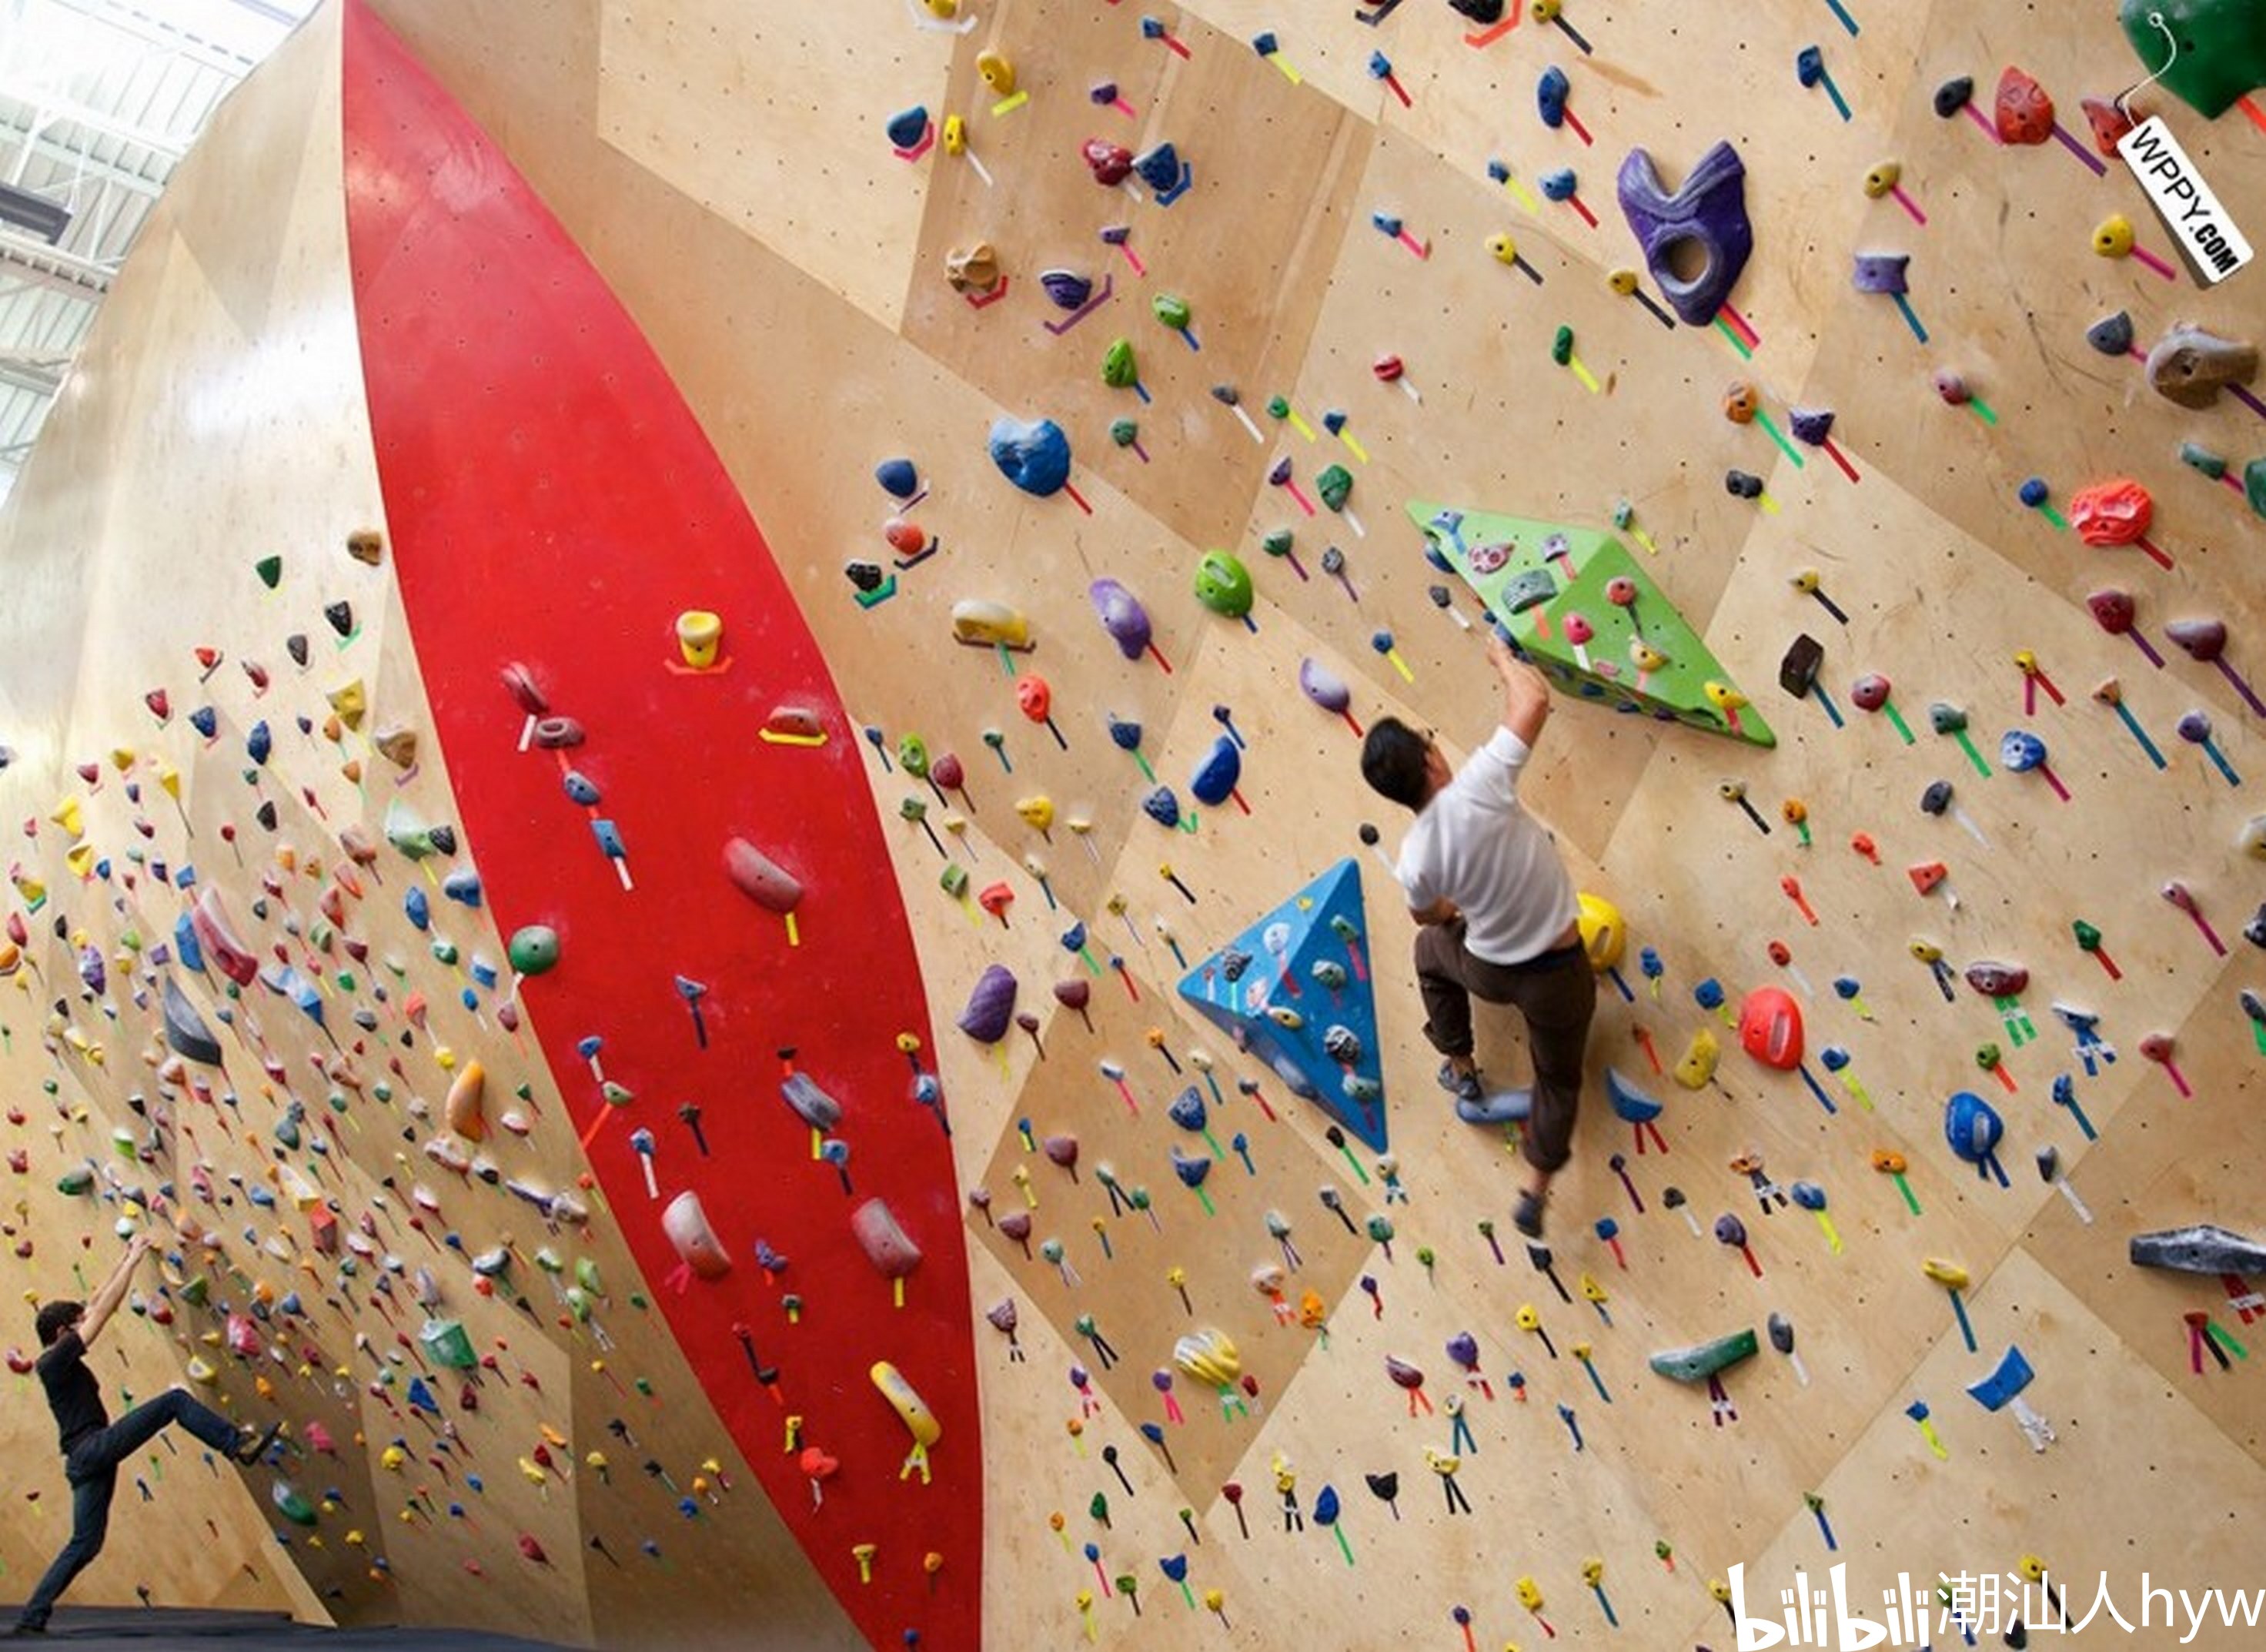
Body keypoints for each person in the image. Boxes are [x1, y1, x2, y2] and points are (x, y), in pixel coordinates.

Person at [1360, 632, 1594, 1239]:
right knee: (1559, 1079)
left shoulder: (1415, 857)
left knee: (1429, 955)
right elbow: (1534, 701)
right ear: (1433, 760)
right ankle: (1535, 1188)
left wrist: (1452, 910)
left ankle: (1461, 1063)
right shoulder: (1483, 782)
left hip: (1489, 969)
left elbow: (1426, 917)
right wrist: (1501, 658)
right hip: (1557, 974)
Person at [8, 1232, 279, 1638]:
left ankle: (33, 1618)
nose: (84, 1324)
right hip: (91, 1449)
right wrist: (133, 1264)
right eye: (76, 1325)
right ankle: (237, 1444)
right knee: (174, 1402)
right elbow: (102, 1312)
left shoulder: (56, 1358)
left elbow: (97, 1302)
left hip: (84, 1461)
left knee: (85, 1544)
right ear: (63, 1332)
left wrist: (127, 1254)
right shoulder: (54, 1361)